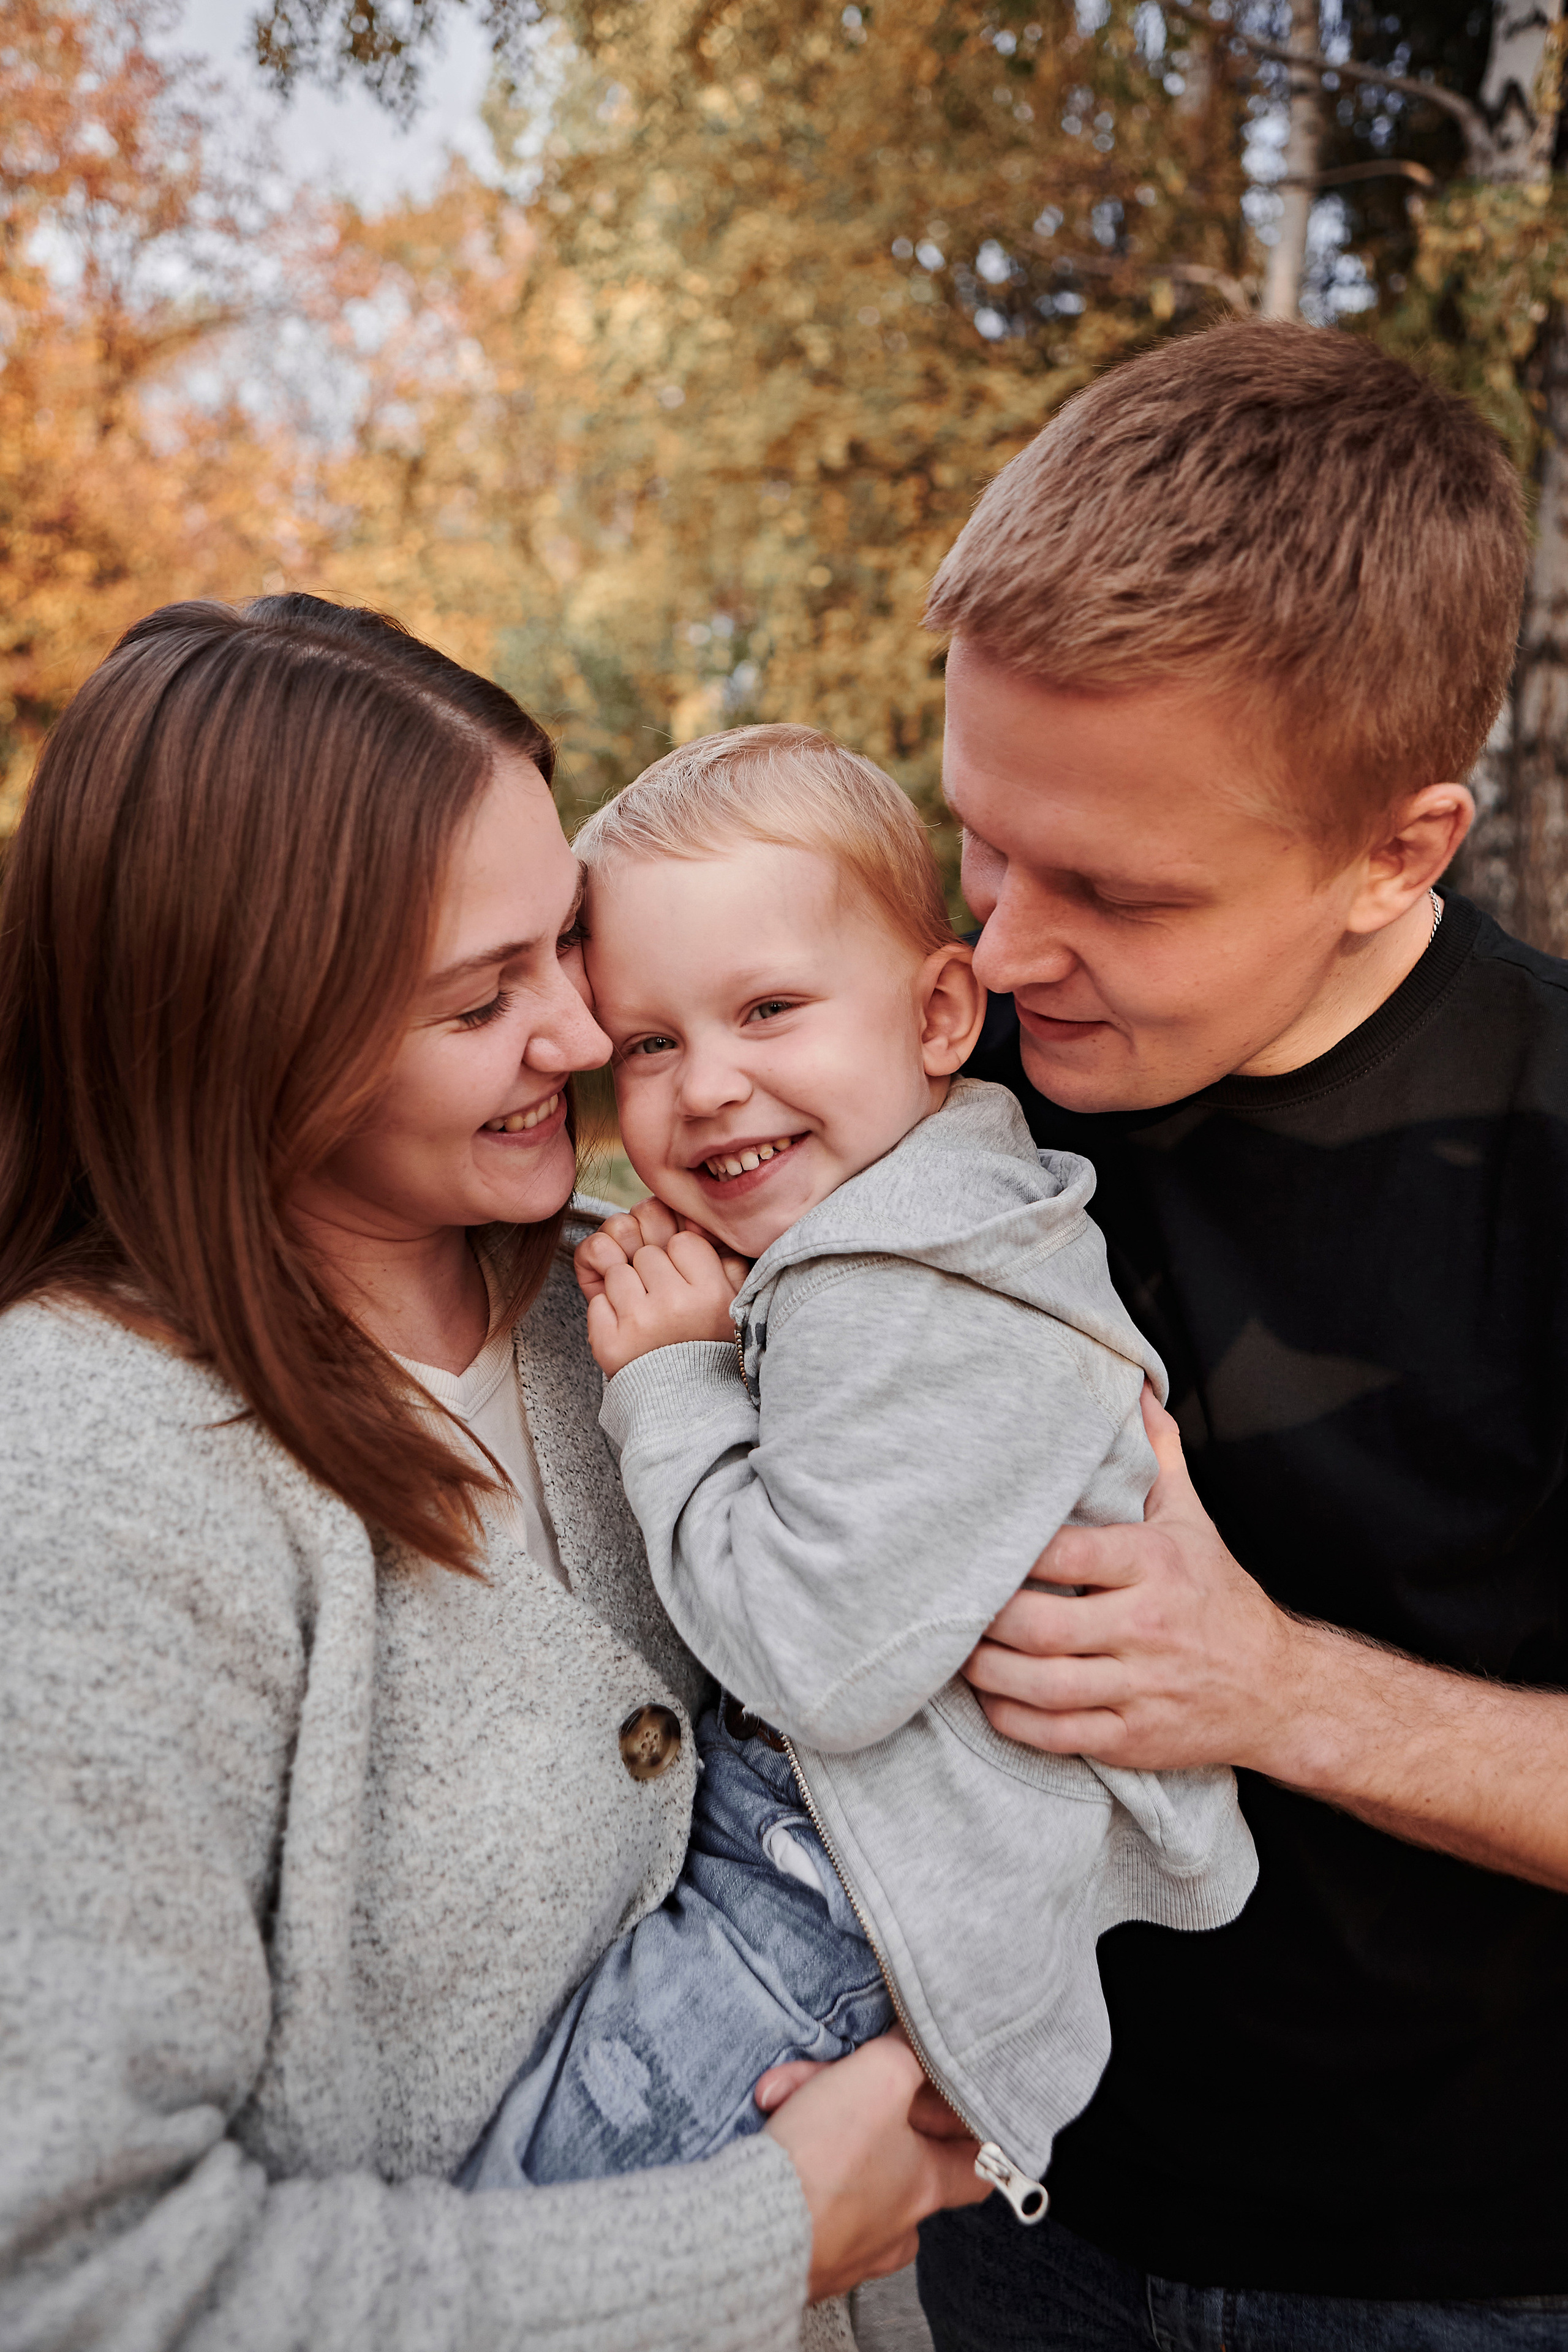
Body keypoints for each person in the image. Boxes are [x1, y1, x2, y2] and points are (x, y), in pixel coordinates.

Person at [0, 595, 988, 2352]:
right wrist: (765, 2236)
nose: (588, 1041)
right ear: (251, 1028)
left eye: (567, 952)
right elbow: (79, 2284)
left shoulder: (657, 1287)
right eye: (485, 997)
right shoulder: (89, 1472)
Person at [911, 320, 1568, 2345]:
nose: (1004, 949)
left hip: (1454, 2278)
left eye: (1113, 889)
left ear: (1397, 854)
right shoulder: (944, 1065)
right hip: (1008, 2209)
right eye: (983, 835)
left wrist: (1274, 1689)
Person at [462, 725, 1257, 2209]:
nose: (705, 1088)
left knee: (541, 2219)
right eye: (650, 1041)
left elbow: (818, 1660)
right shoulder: (886, 1226)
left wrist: (676, 1382)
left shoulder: (920, 1291)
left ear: (942, 1008)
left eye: (768, 1009)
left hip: (840, 1902)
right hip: (819, 1848)